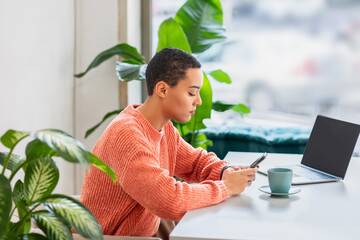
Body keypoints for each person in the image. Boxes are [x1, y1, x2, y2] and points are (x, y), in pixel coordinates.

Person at [80, 47, 258, 238]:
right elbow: (169, 200)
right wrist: (225, 187)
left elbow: (196, 163)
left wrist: (226, 172)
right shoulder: (127, 135)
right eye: (191, 93)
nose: (198, 101)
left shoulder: (163, 129)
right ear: (162, 89)